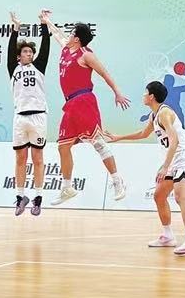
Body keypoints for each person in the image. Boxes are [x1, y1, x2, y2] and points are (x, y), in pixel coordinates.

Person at [39, 11, 129, 204]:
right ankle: (67, 188)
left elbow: (105, 74)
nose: (68, 35)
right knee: (63, 146)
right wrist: (46, 21)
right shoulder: (66, 49)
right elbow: (57, 34)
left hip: (84, 100)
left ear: (77, 39)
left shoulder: (86, 55)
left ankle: (117, 181)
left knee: (98, 143)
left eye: (72, 33)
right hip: (70, 104)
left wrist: (117, 92)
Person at [106, 81, 185, 255]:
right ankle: (168, 236)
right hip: (173, 160)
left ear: (151, 96)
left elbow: (174, 141)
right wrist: (119, 137)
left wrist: (165, 167)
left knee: (181, 197)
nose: (143, 95)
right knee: (159, 196)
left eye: (145, 92)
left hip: (184, 158)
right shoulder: (154, 115)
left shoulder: (165, 113)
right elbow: (143, 133)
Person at [7, 11, 49, 216]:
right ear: (19, 56)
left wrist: (43, 24)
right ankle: (20, 197)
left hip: (38, 116)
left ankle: (38, 198)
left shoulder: (38, 66)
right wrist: (16, 28)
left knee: (38, 158)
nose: (29, 54)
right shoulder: (13, 69)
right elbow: (9, 51)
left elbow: (46, 47)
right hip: (20, 117)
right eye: (25, 51)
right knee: (20, 159)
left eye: (31, 52)